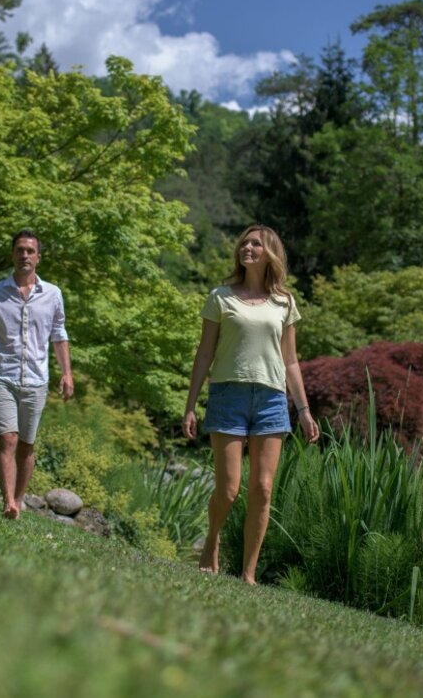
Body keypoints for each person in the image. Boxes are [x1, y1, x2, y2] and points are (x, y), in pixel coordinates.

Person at [182, 225, 320, 585]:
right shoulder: (221, 297)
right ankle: (211, 541)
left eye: (256, 243)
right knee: (228, 489)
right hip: (228, 395)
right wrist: (190, 404)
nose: (247, 247)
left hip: (272, 400)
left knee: (263, 488)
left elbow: (290, 360)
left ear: (270, 252)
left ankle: (248, 574)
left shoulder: (285, 302)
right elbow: (205, 353)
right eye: (244, 242)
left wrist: (303, 410)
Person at [0, 230, 73, 519]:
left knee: (26, 444)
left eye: (30, 251)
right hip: (2, 375)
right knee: (8, 439)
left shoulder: (53, 294)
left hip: (37, 379)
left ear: (38, 257)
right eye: (20, 250)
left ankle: (20, 499)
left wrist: (67, 374)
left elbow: (59, 336)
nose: (25, 255)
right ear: (13, 255)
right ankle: (8, 500)